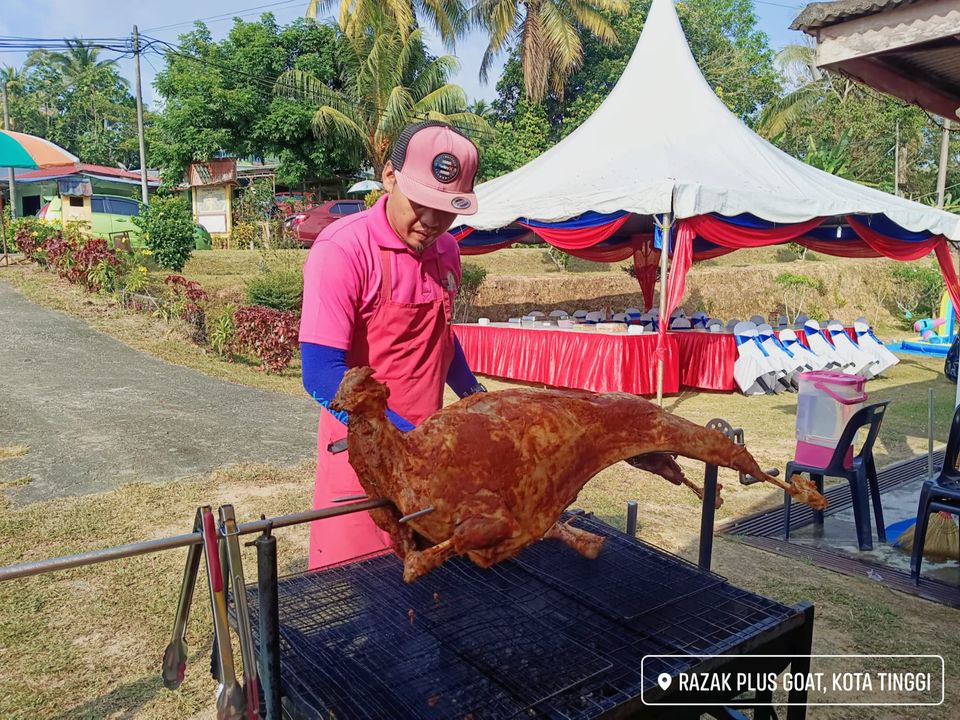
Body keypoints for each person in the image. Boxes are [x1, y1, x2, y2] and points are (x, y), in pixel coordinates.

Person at [299, 121, 486, 569]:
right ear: (389, 176)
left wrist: (475, 396)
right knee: (355, 604)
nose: (434, 221)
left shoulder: (447, 251)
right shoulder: (343, 250)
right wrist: (405, 439)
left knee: (423, 608)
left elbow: (440, 336)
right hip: (362, 464)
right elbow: (320, 371)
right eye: (422, 204)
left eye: (449, 209)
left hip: (431, 470)